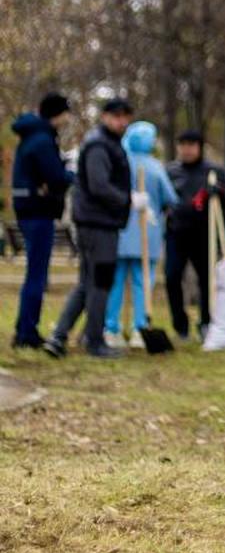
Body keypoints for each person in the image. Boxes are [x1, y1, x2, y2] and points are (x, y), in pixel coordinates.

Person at [44, 99, 143, 359]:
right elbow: (99, 185)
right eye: (117, 116)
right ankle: (94, 341)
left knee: (87, 283)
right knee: (100, 281)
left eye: (125, 117)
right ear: (105, 116)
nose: (122, 122)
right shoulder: (100, 144)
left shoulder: (106, 143)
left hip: (97, 222)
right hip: (98, 224)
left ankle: (59, 336)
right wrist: (129, 200)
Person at [103, 121, 178, 348]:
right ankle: (138, 328)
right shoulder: (155, 167)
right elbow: (171, 199)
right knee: (142, 282)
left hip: (121, 232)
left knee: (116, 281)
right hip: (148, 234)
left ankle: (111, 328)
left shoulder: (120, 162)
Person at [10, 93, 75, 350]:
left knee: (35, 273)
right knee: (37, 275)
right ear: (57, 113)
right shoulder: (42, 140)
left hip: (28, 209)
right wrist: (69, 173)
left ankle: (25, 328)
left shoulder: (32, 136)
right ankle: (27, 331)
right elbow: (56, 177)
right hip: (38, 212)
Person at [164, 130, 225, 340]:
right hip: (176, 233)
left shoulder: (214, 172)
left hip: (203, 234)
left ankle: (206, 322)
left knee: (206, 280)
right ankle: (180, 325)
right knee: (172, 277)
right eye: (183, 144)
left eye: (191, 145)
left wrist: (219, 192)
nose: (187, 149)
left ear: (199, 147)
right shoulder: (171, 171)